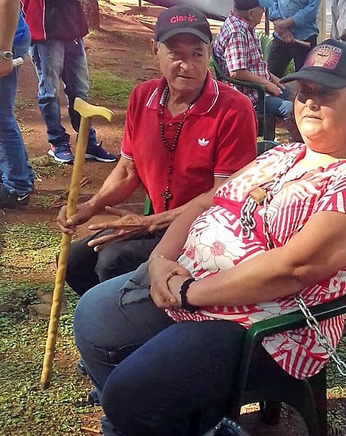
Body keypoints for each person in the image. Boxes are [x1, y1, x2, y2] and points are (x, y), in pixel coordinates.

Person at [73, 39, 346, 435]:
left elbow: (293, 268)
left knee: (129, 394)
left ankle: (149, 416)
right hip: (195, 288)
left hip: (267, 324)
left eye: (325, 94)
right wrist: (159, 260)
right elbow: (204, 202)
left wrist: (190, 292)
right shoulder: (282, 155)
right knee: (92, 316)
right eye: (304, 92)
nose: (309, 103)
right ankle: (189, 422)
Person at [57, 5, 258, 297]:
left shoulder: (233, 108)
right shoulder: (143, 96)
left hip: (204, 230)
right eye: (175, 53)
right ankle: (111, 323)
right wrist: (89, 207)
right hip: (157, 224)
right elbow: (127, 170)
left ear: (209, 53)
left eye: (197, 54)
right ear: (155, 50)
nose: (186, 65)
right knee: (75, 260)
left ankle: (129, 325)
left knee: (112, 262)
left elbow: (221, 196)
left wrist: (148, 223)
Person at [21, 0, 116, 164]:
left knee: (79, 91)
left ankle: (87, 143)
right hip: (45, 33)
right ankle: (57, 143)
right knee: (50, 93)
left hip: (73, 29)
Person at [213, 0, 293, 119]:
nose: (264, 12)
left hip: (259, 89)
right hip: (251, 96)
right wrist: (267, 84)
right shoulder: (237, 32)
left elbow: (253, 66)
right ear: (251, 13)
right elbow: (236, 72)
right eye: (262, 9)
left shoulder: (244, 26)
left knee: (298, 95)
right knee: (292, 108)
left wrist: (272, 78)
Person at [0, 0, 34, 209]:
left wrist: (4, 52)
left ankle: (17, 188)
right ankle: (20, 176)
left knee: (1, 118)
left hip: (5, 41)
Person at [267, 0, 319, 78]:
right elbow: (271, 2)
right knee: (271, 75)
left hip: (305, 37)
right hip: (280, 37)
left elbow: (312, 8)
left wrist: (286, 23)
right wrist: (282, 29)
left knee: (305, 79)